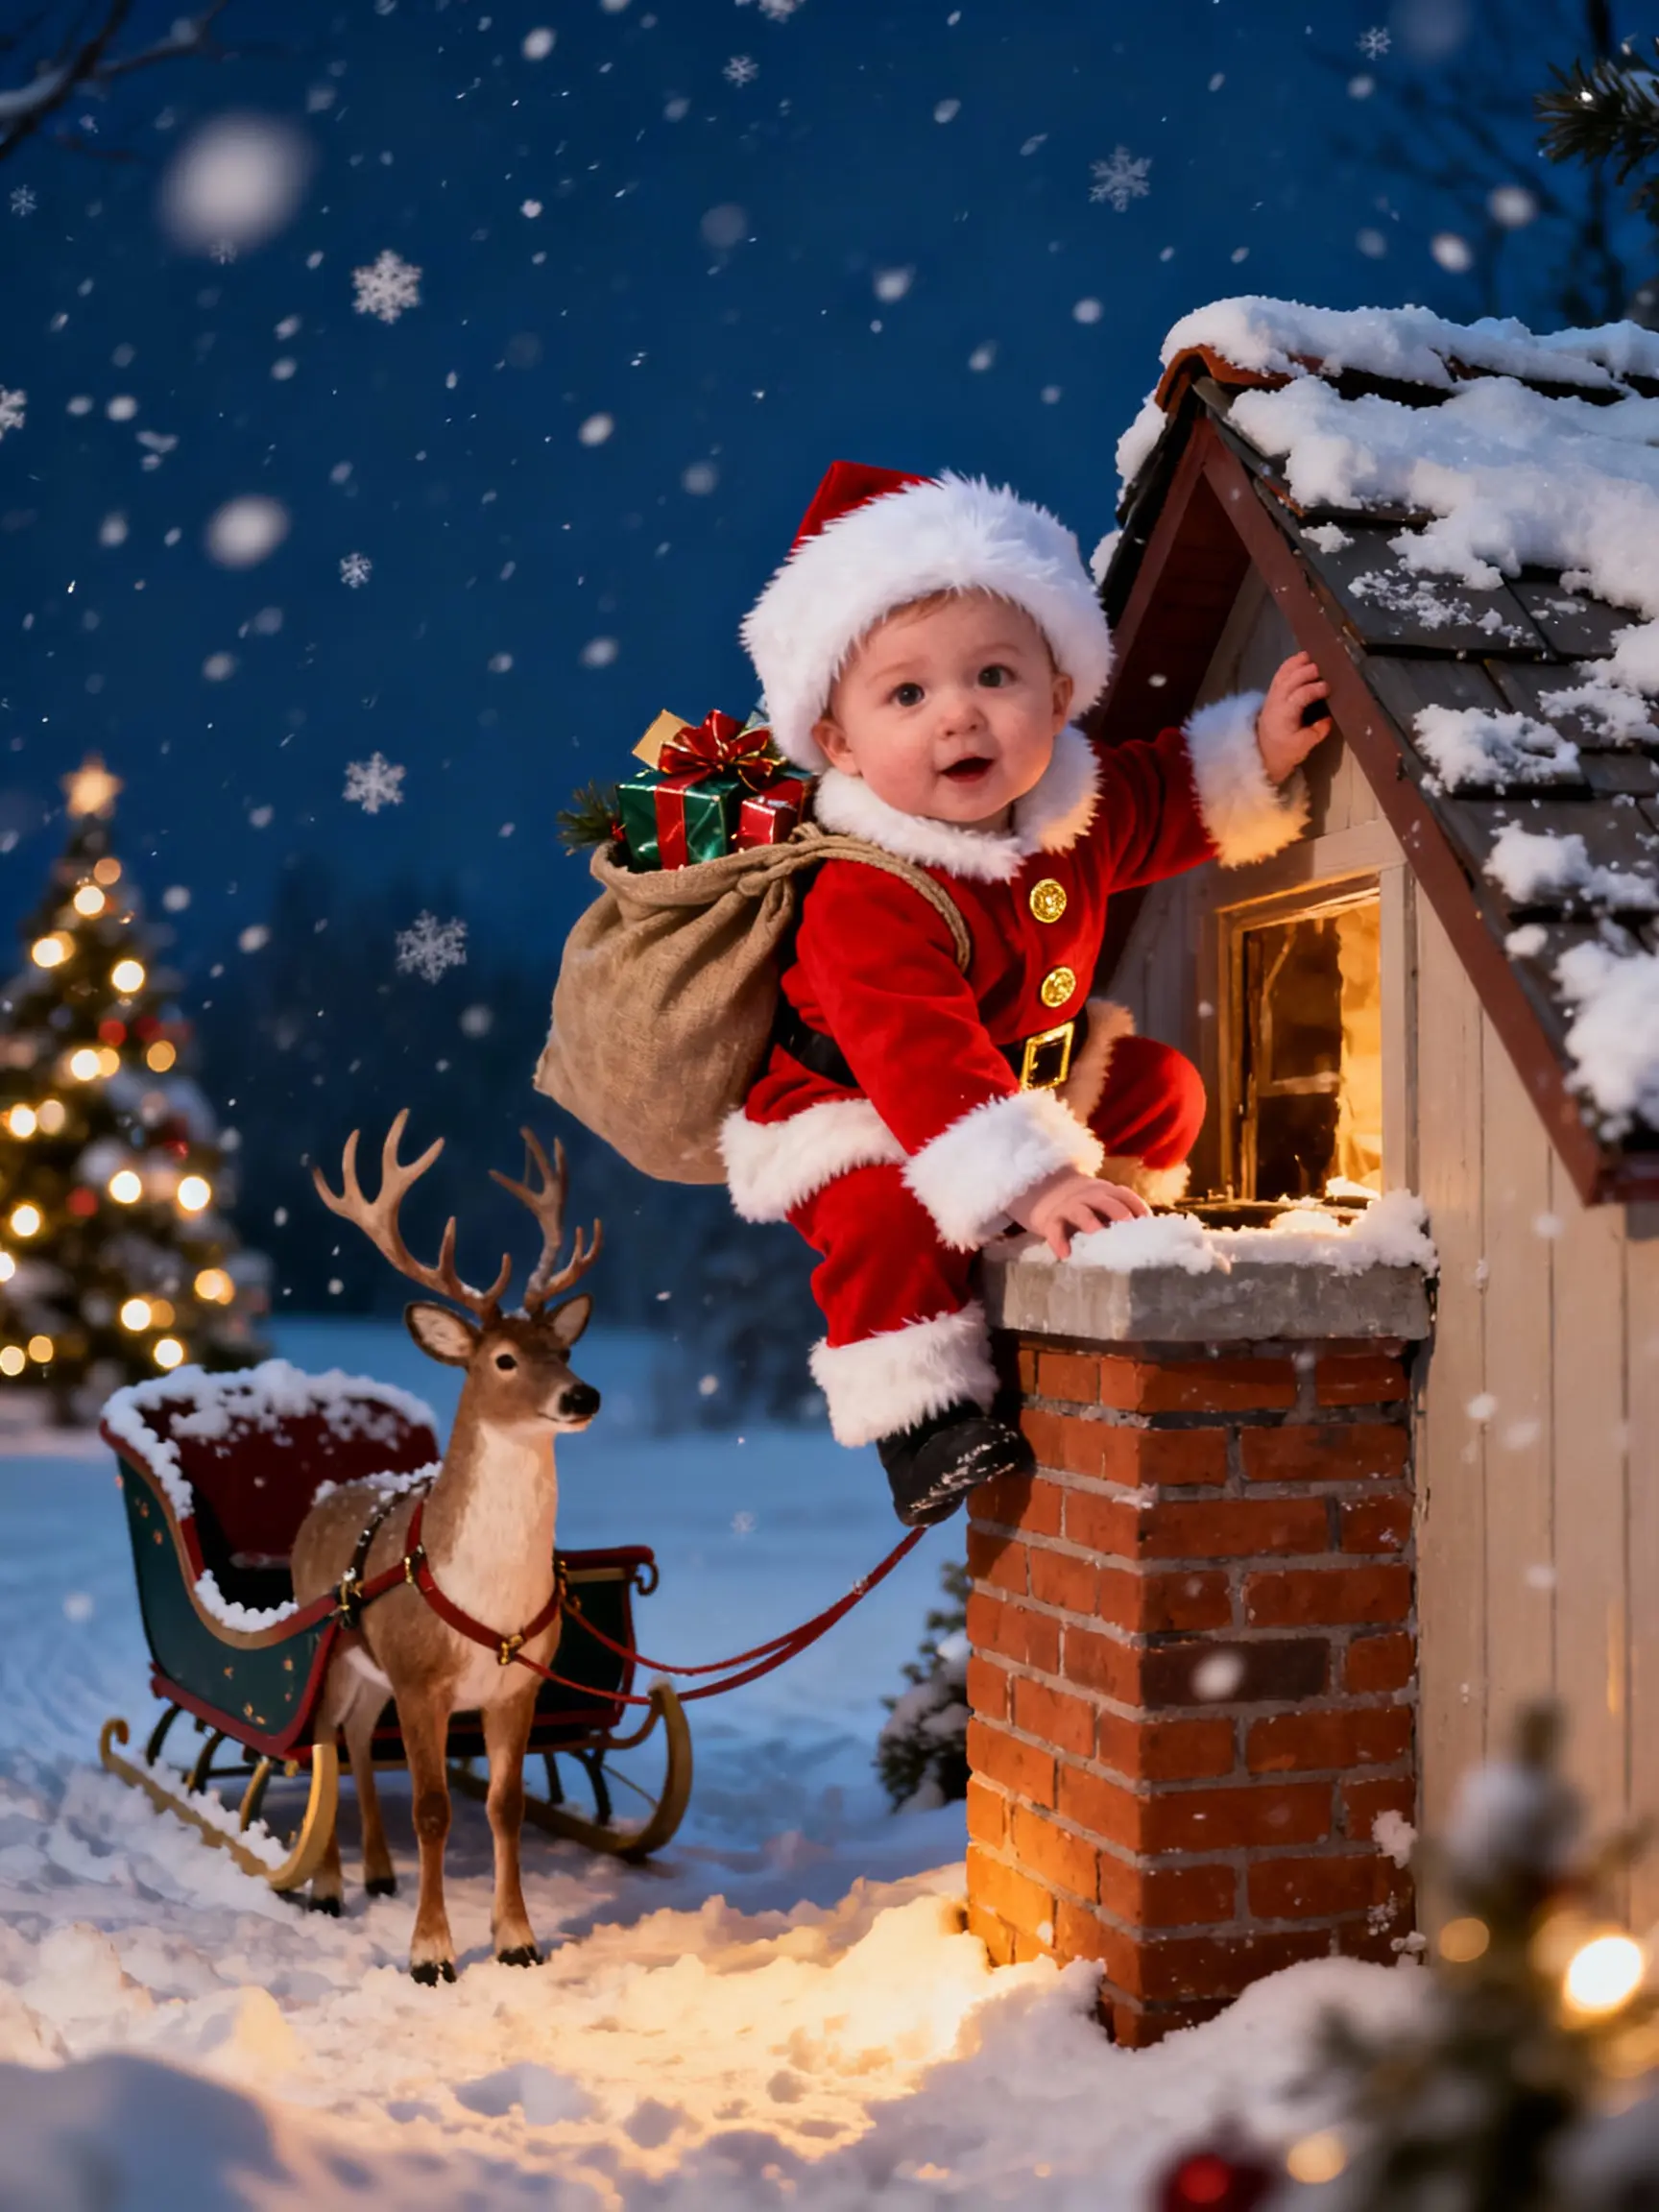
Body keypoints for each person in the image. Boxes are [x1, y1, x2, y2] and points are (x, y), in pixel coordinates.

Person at [719, 460, 1333, 1527]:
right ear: (841, 744)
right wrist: (1034, 1181)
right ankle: (923, 1423)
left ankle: (1103, 1235)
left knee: (1160, 1086)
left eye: (993, 678)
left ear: (1056, 694)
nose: (958, 717)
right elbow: (919, 1061)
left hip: (1017, 1087)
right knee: (883, 1221)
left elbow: (1166, 792)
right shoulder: (867, 889)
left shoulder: (1070, 810)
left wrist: (1260, 748)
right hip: (863, 1110)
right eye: (907, 695)